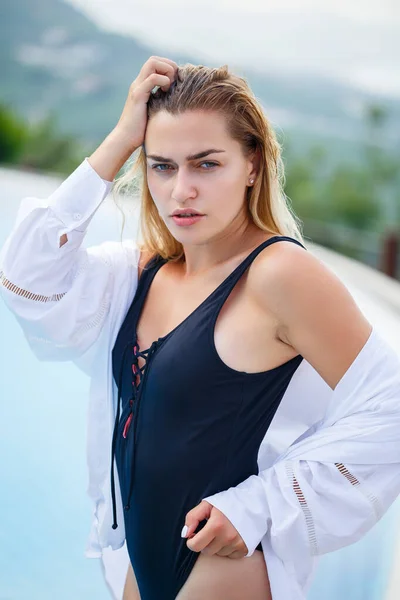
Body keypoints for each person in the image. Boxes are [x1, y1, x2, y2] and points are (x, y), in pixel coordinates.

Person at [1, 56, 400, 600]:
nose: (181, 190)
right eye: (162, 166)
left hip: (220, 573)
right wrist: (121, 138)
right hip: (135, 565)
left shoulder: (278, 274)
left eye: (206, 164)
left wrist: (258, 506)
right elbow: (26, 278)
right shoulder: (142, 273)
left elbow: (390, 405)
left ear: (253, 163)